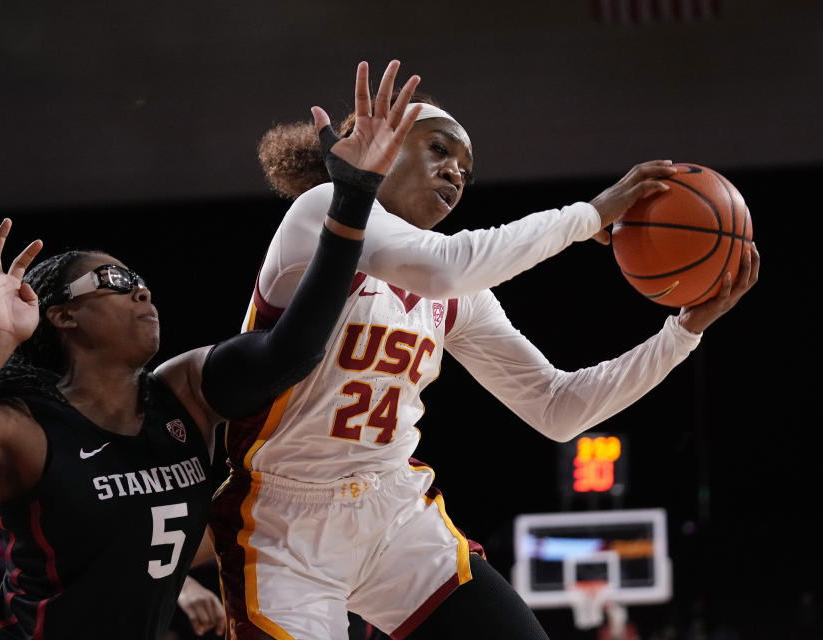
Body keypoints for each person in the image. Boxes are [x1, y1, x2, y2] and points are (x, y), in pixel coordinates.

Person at [0, 59, 424, 640]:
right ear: (61, 314)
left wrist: (352, 199)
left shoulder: (181, 391)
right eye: (113, 282)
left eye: (139, 279)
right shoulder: (20, 427)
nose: (141, 288)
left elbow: (289, 354)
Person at [210, 71, 760, 639]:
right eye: (439, 150)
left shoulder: (458, 295)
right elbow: (448, 264)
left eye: (466, 172)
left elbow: (557, 407)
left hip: (393, 511)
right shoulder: (325, 209)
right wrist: (589, 215)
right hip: (283, 527)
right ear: (381, 150)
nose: (455, 172)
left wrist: (682, 333)